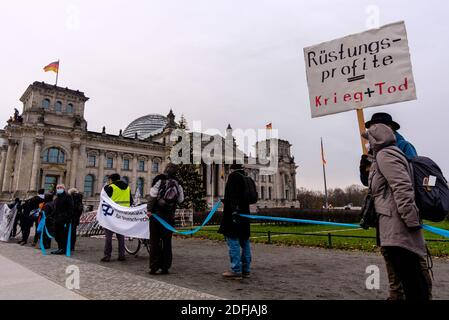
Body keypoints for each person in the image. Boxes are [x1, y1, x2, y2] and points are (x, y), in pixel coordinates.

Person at [359, 112, 432, 300]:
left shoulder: (397, 149)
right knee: (393, 261)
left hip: (400, 217)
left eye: (373, 127)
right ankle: (396, 295)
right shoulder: (376, 152)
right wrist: (365, 169)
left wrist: (411, 219)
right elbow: (372, 185)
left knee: (412, 265)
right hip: (385, 216)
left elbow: (406, 184)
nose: (369, 132)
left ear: (385, 128)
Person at [147, 163, 184, 275]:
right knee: (167, 242)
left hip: (156, 216)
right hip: (169, 217)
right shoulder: (178, 184)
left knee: (154, 241)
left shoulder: (159, 180)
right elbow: (181, 200)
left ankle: (154, 266)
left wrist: (149, 210)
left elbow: (152, 196)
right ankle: (165, 266)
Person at [218, 163, 253, 280]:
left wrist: (232, 210)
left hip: (234, 215)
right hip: (245, 214)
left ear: (232, 169)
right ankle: (246, 270)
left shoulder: (233, 177)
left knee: (233, 242)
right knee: (245, 242)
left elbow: (234, 196)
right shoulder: (247, 178)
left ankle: (236, 270)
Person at [101, 173, 133, 262]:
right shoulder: (127, 187)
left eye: (109, 180)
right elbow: (131, 201)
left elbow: (104, 200)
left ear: (111, 180)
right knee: (121, 236)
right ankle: (121, 255)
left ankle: (107, 256)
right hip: (122, 215)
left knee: (108, 236)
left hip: (111, 215)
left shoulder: (110, 187)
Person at [51, 185, 74, 255]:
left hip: (64, 220)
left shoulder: (68, 196)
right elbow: (55, 209)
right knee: (56, 235)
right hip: (56, 219)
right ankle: (60, 248)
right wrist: (50, 216)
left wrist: (66, 217)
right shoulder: (57, 198)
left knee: (63, 235)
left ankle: (62, 249)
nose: (59, 189)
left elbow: (71, 208)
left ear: (64, 189)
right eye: (57, 188)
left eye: (60, 188)